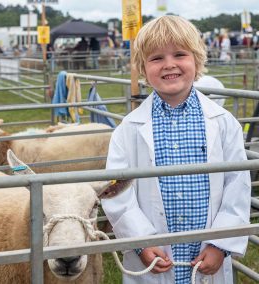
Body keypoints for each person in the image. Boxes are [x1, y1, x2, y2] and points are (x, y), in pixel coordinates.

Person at [102, 15, 251, 284]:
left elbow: (236, 187)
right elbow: (117, 193)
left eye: (179, 54)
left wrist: (220, 245)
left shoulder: (223, 123)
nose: (169, 65)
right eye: (156, 58)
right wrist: (142, 243)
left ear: (196, 59)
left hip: (206, 254)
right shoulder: (129, 129)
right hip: (154, 254)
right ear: (143, 68)